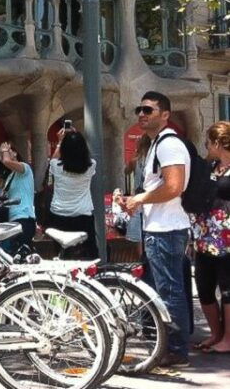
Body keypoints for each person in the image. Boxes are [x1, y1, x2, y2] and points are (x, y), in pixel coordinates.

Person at [117, 91, 191, 367]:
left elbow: (173, 186)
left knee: (170, 291)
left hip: (167, 229)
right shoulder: (155, 144)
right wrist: (137, 201)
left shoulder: (169, 145)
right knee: (162, 290)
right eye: (140, 109)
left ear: (165, 115)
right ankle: (166, 345)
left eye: (148, 110)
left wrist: (140, 199)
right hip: (158, 228)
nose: (141, 114)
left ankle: (176, 349)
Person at [192, 121, 230, 353]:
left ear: (218, 142)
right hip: (205, 233)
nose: (206, 144)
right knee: (204, 286)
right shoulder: (210, 166)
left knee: (228, 287)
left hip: (227, 234)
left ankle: (228, 339)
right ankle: (216, 334)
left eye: (209, 140)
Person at [48, 129, 97, 258]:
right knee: (87, 255)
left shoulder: (56, 166)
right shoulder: (91, 166)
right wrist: (76, 137)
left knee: (62, 255)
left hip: (59, 215)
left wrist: (60, 142)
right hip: (83, 216)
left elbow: (54, 159)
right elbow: (85, 157)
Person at [0, 141, 36, 253]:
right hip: (13, 220)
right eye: (0, 153)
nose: (3, 155)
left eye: (7, 150)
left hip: (24, 218)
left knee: (22, 255)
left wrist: (4, 151)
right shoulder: (10, 177)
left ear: (15, 153)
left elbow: (6, 161)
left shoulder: (25, 168)